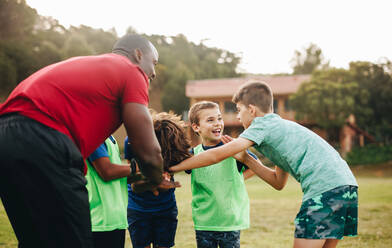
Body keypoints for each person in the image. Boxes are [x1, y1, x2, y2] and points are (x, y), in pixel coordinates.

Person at [0, 34, 177, 248]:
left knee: (38, 240)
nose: (154, 73)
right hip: (44, 135)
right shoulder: (131, 71)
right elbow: (148, 151)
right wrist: (155, 178)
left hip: (6, 136)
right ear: (138, 55)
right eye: (154, 63)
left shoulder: (89, 69)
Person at [170, 81, 358, 248]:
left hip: (324, 188)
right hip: (346, 186)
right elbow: (278, 183)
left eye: (238, 110)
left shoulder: (262, 125)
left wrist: (172, 167)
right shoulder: (280, 132)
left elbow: (215, 156)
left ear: (251, 110)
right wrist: (246, 159)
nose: (237, 117)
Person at [183, 101, 255, 248]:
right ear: (196, 127)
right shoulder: (192, 155)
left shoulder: (232, 149)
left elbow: (255, 166)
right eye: (210, 120)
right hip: (204, 223)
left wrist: (238, 179)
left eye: (219, 118)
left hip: (230, 222)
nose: (217, 123)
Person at [125, 111, 191, 248]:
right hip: (137, 208)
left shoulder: (173, 143)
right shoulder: (132, 141)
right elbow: (131, 180)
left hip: (166, 208)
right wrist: (154, 181)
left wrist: (167, 172)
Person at [85, 135, 130, 248]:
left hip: (115, 219)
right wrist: (136, 167)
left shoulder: (110, 137)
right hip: (99, 220)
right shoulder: (93, 135)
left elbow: (119, 174)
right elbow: (107, 171)